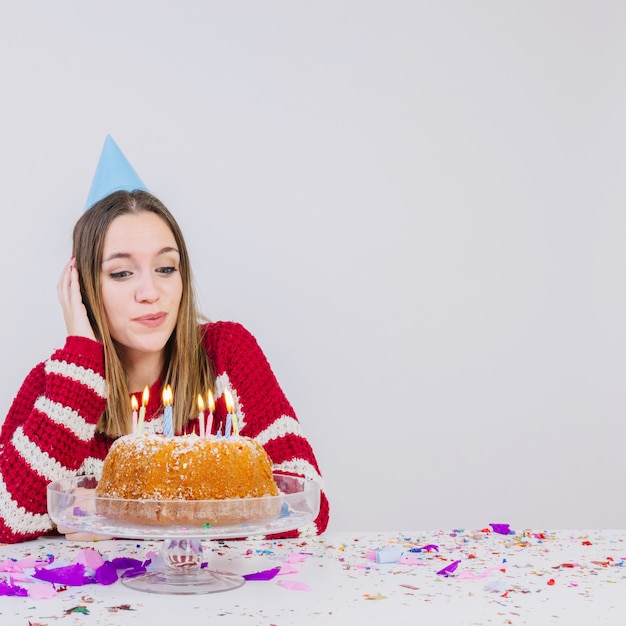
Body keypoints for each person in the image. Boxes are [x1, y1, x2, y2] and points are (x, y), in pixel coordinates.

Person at [0, 187, 329, 543]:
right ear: (82, 288)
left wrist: (120, 512)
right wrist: (80, 358)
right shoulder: (62, 383)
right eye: (122, 273)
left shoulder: (225, 354)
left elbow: (307, 509)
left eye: (165, 268)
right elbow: (7, 518)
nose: (150, 291)